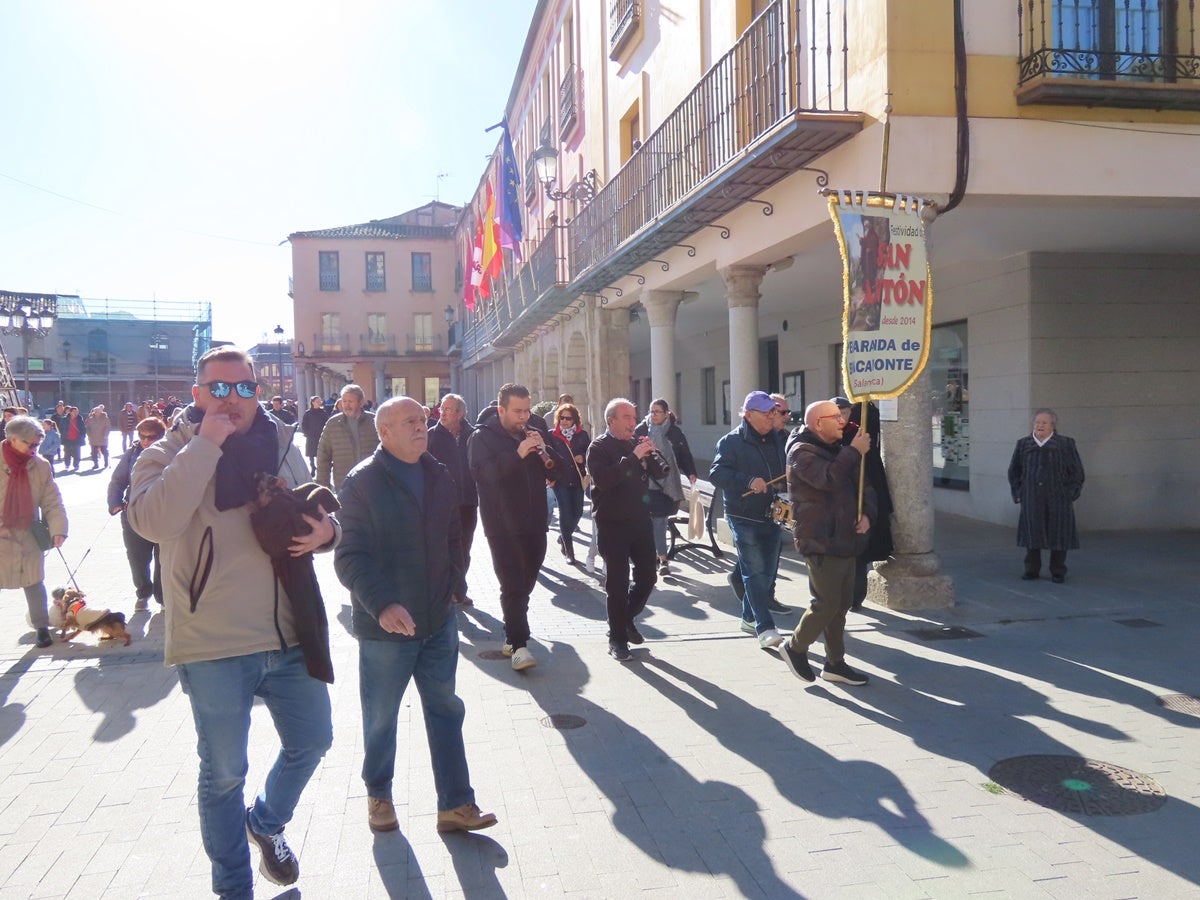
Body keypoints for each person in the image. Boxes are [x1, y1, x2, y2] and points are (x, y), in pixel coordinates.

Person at [127, 346, 338, 898]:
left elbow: (318, 509)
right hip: (212, 641)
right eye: (218, 389)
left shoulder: (283, 444)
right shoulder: (166, 452)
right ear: (197, 395)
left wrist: (329, 535)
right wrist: (206, 445)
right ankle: (234, 888)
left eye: (245, 388)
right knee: (224, 773)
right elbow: (152, 521)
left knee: (314, 741)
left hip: (292, 633)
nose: (233, 399)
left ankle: (263, 824)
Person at [334, 396, 497, 836]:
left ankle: (456, 805)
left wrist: (453, 583)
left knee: (445, 709)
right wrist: (382, 604)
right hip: (387, 629)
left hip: (438, 619)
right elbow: (348, 557)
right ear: (383, 433)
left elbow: (454, 537)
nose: (420, 426)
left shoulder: (438, 473)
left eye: (421, 420)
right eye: (408, 422)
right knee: (382, 716)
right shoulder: (362, 482)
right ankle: (379, 794)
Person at [778, 400, 875, 686]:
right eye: (835, 417)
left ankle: (835, 663)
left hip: (845, 537)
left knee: (841, 604)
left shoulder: (840, 450)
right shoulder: (801, 451)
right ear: (817, 423)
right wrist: (854, 451)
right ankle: (795, 647)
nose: (843, 421)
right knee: (827, 602)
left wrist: (868, 514)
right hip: (820, 539)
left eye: (842, 416)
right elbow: (828, 479)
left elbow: (865, 486)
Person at [467, 383, 553, 671]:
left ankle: (511, 631)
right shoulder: (482, 436)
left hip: (535, 521)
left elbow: (559, 471)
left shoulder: (533, 431)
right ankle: (519, 646)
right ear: (501, 410)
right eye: (517, 411)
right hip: (502, 525)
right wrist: (517, 454)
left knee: (526, 582)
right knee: (513, 583)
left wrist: (544, 450)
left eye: (527, 410)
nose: (524, 417)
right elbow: (484, 474)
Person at [587, 399, 666, 662]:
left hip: (641, 521)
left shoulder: (636, 443)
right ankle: (617, 639)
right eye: (627, 417)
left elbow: (660, 474)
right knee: (617, 584)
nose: (633, 422)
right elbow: (606, 480)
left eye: (634, 417)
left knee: (648, 578)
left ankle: (623, 620)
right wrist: (633, 457)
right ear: (611, 421)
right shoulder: (598, 447)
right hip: (612, 523)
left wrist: (651, 454)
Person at [710, 392, 791, 649]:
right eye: (767, 412)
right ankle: (764, 626)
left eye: (773, 411)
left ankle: (747, 616)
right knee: (755, 572)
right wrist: (747, 481)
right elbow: (717, 473)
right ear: (749, 414)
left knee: (766, 573)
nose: (772, 416)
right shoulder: (731, 441)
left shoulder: (778, 439)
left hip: (772, 513)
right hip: (742, 514)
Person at [0, 416, 68, 649]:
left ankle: (41, 627)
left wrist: (58, 529)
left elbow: (52, 501)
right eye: (30, 444)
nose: (34, 449)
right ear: (13, 439)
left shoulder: (40, 466)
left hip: (28, 534)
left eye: (37, 445)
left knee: (34, 581)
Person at [1007, 408, 1084, 583]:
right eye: (1037, 422)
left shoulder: (1065, 444)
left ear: (1053, 426)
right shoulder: (1024, 444)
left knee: (1059, 535)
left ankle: (1058, 571)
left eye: (1044, 422)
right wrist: (1018, 493)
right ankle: (1031, 569)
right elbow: (1014, 471)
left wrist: (1070, 494)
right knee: (1032, 535)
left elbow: (1077, 473)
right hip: (1032, 497)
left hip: (1059, 498)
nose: (1040, 425)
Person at [830, 398, 893, 609]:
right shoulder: (827, 436)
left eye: (845, 412)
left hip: (860, 499)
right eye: (837, 412)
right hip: (836, 503)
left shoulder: (860, 433)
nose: (841, 417)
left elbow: (870, 480)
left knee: (859, 552)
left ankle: (855, 597)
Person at [108, 417, 167, 611]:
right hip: (133, 514)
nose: (146, 441)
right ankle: (143, 593)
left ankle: (162, 596)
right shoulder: (132, 453)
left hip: (162, 513)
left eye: (151, 437)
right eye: (142, 436)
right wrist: (115, 502)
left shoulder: (171, 452)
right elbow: (117, 480)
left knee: (163, 558)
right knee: (137, 557)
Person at [634, 399, 697, 576]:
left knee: (660, 522)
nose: (653, 415)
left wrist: (690, 471)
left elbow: (684, 455)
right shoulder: (640, 430)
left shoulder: (674, 432)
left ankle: (662, 559)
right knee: (648, 523)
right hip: (646, 484)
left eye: (657, 412)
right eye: (651, 411)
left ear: (666, 413)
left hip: (667, 484)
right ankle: (653, 557)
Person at [426, 393, 478, 603]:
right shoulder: (431, 436)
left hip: (467, 501)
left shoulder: (473, 435)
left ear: (460, 413)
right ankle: (446, 590)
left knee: (464, 547)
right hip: (439, 503)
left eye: (448, 409)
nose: (442, 413)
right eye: (442, 409)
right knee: (443, 548)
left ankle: (459, 590)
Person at [548, 403, 590, 564]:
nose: (564, 421)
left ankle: (563, 536)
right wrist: (549, 477)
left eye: (568, 418)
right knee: (565, 514)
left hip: (578, 480)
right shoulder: (552, 435)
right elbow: (547, 457)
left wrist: (583, 457)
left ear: (575, 420)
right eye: (562, 418)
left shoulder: (582, 435)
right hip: (561, 480)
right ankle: (569, 552)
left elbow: (591, 452)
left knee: (578, 512)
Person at [316, 384, 378, 492]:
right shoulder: (333, 424)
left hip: (373, 483)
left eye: (350, 401)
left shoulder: (375, 422)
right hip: (345, 485)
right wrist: (323, 486)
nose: (346, 405)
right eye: (344, 401)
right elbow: (323, 457)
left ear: (361, 402)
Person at [299, 396, 329, 478]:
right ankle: (312, 467)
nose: (319, 402)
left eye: (320, 401)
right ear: (313, 402)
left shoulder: (323, 413)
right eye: (317, 401)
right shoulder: (308, 413)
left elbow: (327, 423)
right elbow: (304, 424)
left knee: (320, 453)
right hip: (311, 436)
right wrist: (307, 432)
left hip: (321, 435)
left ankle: (320, 468)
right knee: (311, 454)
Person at [85, 404, 112, 469]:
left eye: (98, 411)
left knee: (104, 451)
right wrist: (89, 434)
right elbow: (88, 427)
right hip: (93, 438)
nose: (96, 412)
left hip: (102, 438)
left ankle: (106, 462)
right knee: (94, 453)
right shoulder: (91, 419)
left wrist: (106, 435)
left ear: (101, 412)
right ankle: (95, 464)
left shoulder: (105, 419)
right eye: (95, 411)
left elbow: (108, 427)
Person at [61, 405, 84, 472]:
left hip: (76, 439)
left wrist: (82, 436)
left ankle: (76, 465)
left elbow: (83, 429)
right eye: (74, 411)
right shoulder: (65, 419)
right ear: (70, 412)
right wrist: (63, 435)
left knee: (77, 453)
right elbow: (61, 428)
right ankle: (67, 464)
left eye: (77, 412)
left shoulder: (80, 420)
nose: (76, 413)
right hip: (67, 439)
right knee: (67, 453)